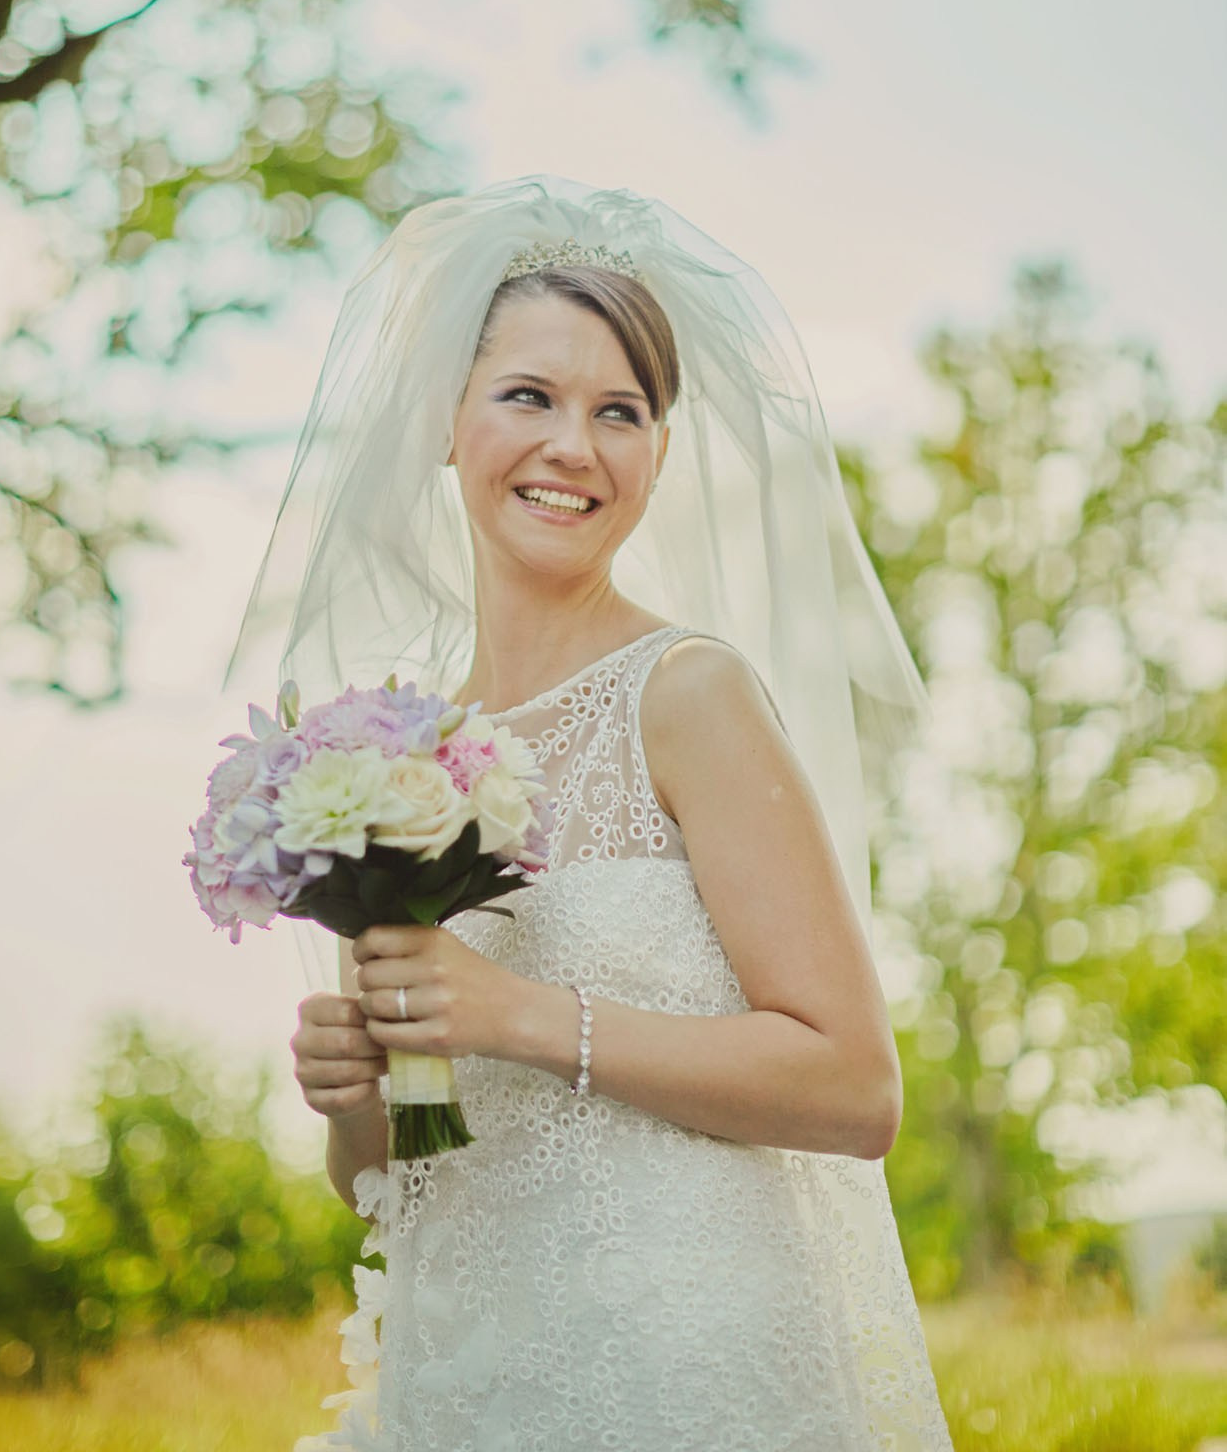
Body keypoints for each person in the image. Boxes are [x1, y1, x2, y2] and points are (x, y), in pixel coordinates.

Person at [229, 175, 954, 1450]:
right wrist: (352, 1094)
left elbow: (854, 1085)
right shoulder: (391, 763)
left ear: (657, 454)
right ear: (445, 422)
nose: (574, 445)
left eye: (621, 411)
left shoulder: (688, 694)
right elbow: (385, 1174)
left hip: (685, 1374)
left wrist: (513, 1012)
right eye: (529, 395)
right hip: (471, 1378)